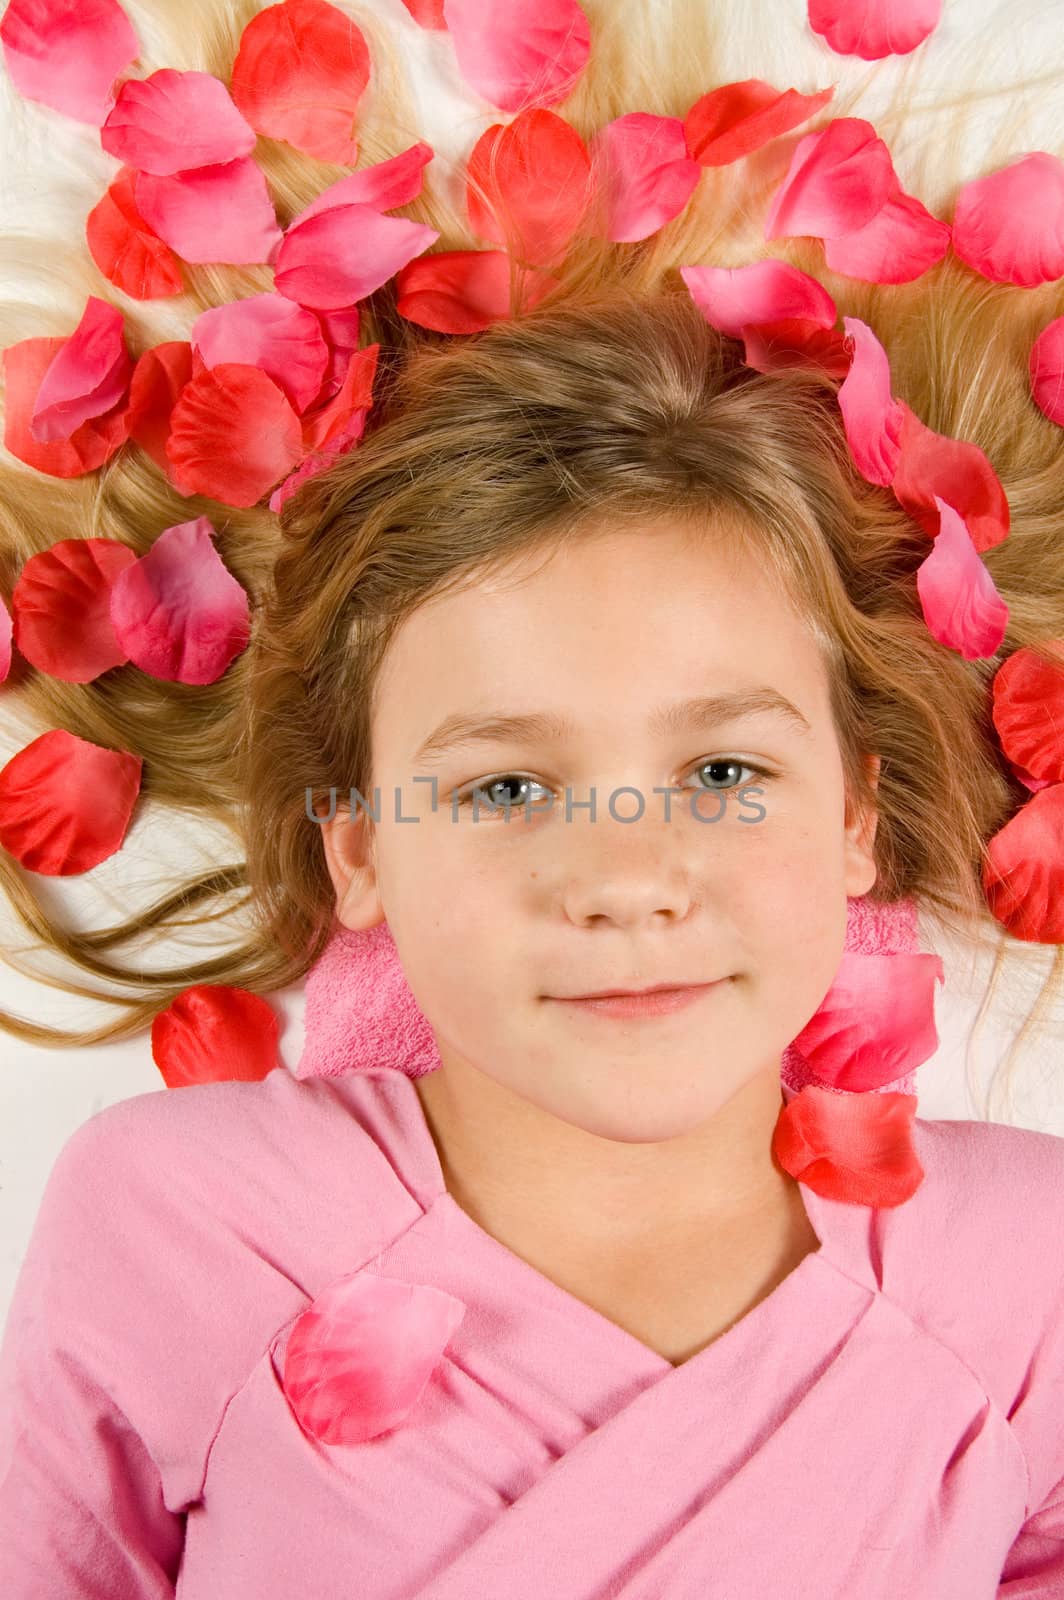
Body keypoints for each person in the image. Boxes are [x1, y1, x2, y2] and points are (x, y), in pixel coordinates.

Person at [2, 0, 1064, 1593]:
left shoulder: (1023, 1275)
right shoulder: (183, 1223)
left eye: (721, 771)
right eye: (505, 784)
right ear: (358, 853)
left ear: (855, 816)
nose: (626, 879)